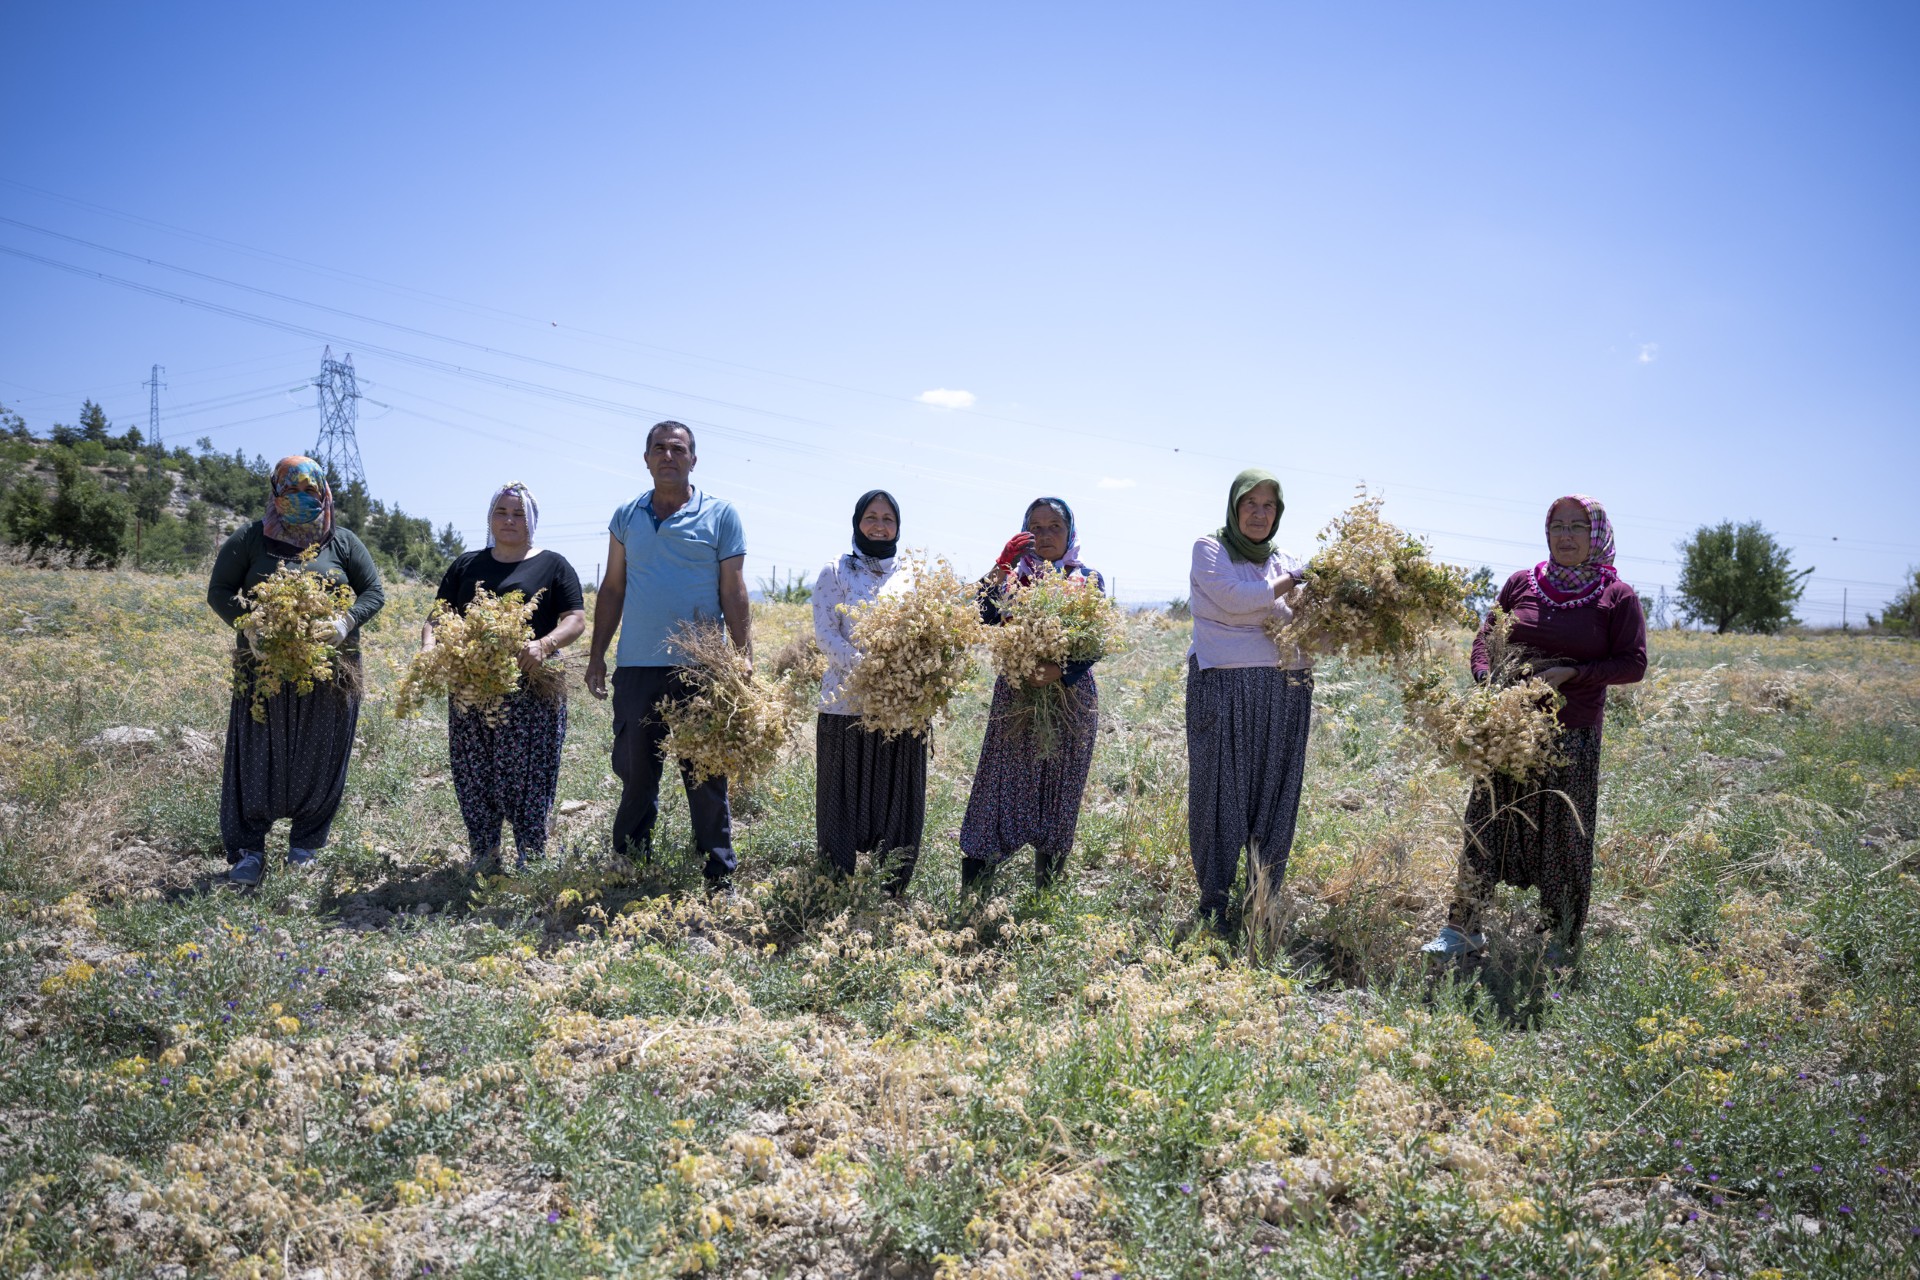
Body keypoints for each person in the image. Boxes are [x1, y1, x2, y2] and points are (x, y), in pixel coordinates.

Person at [1422, 494, 1647, 962]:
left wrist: (1573, 674)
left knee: (1565, 835)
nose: (1565, 536)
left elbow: (1633, 664)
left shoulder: (1616, 597)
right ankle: (1463, 929)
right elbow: (1486, 639)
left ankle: (1559, 940)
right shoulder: (1521, 583)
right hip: (1508, 729)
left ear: (1597, 535)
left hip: (1572, 734)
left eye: (1576, 527)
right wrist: (1490, 681)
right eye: (1557, 526)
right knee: (1485, 824)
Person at [585, 421, 750, 891]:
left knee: (705, 771)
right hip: (636, 666)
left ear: (693, 460)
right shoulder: (627, 516)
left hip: (699, 667)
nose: (668, 456)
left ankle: (719, 874)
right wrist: (598, 656)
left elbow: (734, 590)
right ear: (646, 458)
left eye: (678, 449)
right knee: (636, 770)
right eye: (659, 448)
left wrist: (742, 657)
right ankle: (630, 863)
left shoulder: (720, 515)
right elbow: (612, 588)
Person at [205, 456, 385, 885]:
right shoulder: (251, 539)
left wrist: (344, 622)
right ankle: (248, 853)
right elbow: (220, 592)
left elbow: (374, 592)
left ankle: (305, 848)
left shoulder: (341, 542)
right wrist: (248, 627)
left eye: (310, 491)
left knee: (321, 757)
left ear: (324, 495)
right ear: (275, 493)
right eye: (291, 491)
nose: (301, 499)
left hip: (330, 673)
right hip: (263, 670)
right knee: (255, 756)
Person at [423, 482, 585, 872]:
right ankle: (485, 854)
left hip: (531, 687)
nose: (509, 520)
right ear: (490, 518)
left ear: (531, 519)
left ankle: (532, 857)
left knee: (528, 775)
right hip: (471, 688)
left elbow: (575, 620)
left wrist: (543, 646)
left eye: (517, 513)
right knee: (473, 770)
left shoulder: (553, 564)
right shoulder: (466, 565)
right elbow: (437, 617)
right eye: (501, 512)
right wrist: (429, 648)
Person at [1186, 469, 1315, 931]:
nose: (1259, 514)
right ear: (1234, 506)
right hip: (1225, 687)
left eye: (1269, 506)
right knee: (1222, 790)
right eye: (1250, 504)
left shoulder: (1286, 558)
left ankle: (1261, 901)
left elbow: (1302, 616)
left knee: (1275, 794)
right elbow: (1233, 599)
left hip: (1287, 688)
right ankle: (1214, 903)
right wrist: (1290, 584)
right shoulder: (1211, 549)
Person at [959, 496, 1105, 891]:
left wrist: (1059, 670)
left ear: (1070, 531)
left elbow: (1096, 640)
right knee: (999, 786)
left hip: (1070, 700)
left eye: (1054, 526)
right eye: (1035, 528)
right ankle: (974, 897)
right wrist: (1000, 565)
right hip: (1016, 697)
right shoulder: (1010, 579)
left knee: (1060, 791)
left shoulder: (1087, 578)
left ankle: (1045, 897)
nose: (1044, 535)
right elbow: (973, 615)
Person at [811, 490, 926, 893]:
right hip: (846, 700)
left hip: (903, 706)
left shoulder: (912, 574)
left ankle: (891, 885)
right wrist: (868, 668)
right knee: (841, 794)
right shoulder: (836, 571)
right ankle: (835, 884)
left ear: (898, 526)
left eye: (888, 518)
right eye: (871, 517)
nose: (880, 525)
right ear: (857, 522)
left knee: (898, 796)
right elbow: (825, 633)